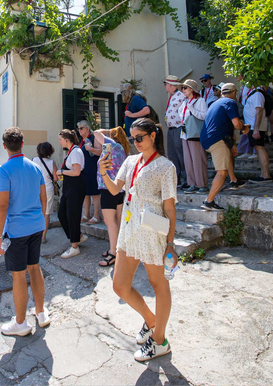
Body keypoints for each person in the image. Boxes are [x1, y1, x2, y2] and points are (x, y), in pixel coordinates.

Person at [98, 118, 177, 362]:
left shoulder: (166, 167)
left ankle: (160, 340)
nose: (136, 142)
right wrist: (103, 171)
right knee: (119, 285)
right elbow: (114, 190)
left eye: (140, 138)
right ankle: (151, 321)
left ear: (153, 136)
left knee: (159, 285)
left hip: (153, 230)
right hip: (130, 228)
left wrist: (171, 245)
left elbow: (170, 208)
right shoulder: (131, 160)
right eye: (133, 138)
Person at [0, 127, 50, 336]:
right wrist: (41, 220)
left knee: (18, 276)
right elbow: (43, 198)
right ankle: (41, 312)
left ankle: (20, 324)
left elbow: (2, 206)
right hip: (36, 225)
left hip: (17, 230)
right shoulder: (35, 168)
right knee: (35, 268)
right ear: (23, 142)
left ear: (4, 146)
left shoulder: (4, 170)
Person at [200, 84, 247, 211]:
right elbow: (236, 124)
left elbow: (223, 124)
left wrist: (232, 143)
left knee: (229, 155)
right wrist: (244, 128)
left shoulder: (215, 103)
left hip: (207, 138)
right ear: (234, 93)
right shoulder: (230, 102)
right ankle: (208, 201)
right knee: (221, 172)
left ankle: (234, 180)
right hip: (217, 139)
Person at [97, 126, 128, 267]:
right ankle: (119, 249)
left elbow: (96, 133)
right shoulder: (123, 149)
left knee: (110, 222)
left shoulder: (112, 145)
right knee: (118, 220)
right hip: (120, 188)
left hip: (108, 187)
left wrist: (105, 130)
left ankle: (113, 253)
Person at [57, 129, 87, 259]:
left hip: (75, 187)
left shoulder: (75, 151)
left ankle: (74, 246)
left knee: (72, 215)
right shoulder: (72, 152)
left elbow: (76, 172)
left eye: (60, 139)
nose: (59, 142)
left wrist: (61, 172)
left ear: (66, 140)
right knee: (62, 213)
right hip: (70, 187)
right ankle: (78, 237)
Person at [179, 79, 209, 194]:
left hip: (195, 133)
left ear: (191, 89)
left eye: (185, 88)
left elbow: (204, 116)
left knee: (198, 159)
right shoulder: (185, 101)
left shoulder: (200, 101)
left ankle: (202, 184)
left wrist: (192, 109)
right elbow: (181, 114)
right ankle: (192, 183)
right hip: (185, 133)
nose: (183, 90)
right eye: (182, 88)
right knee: (188, 160)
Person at [243, 86, 273, 183]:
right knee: (258, 147)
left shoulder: (257, 94)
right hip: (253, 126)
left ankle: (266, 175)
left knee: (260, 148)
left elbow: (259, 111)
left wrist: (256, 128)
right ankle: (263, 174)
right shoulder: (255, 93)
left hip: (256, 126)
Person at [163, 75, 188, 189]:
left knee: (181, 153)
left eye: (166, 84)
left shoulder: (181, 95)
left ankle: (186, 178)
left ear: (171, 85)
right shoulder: (173, 96)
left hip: (178, 128)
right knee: (172, 154)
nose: (165, 86)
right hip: (171, 129)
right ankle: (176, 178)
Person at [33, 142, 59, 244]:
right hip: (48, 188)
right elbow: (56, 179)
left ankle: (35, 235)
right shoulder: (52, 162)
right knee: (46, 214)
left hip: (36, 189)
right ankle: (43, 237)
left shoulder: (34, 160)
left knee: (36, 212)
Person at [78, 120, 102, 224]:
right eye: (78, 128)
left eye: (81, 128)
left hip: (93, 169)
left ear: (87, 128)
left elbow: (100, 151)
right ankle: (86, 214)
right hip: (84, 169)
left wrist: (91, 149)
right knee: (85, 193)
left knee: (95, 193)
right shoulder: (82, 140)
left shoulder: (94, 138)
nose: (79, 130)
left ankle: (96, 216)